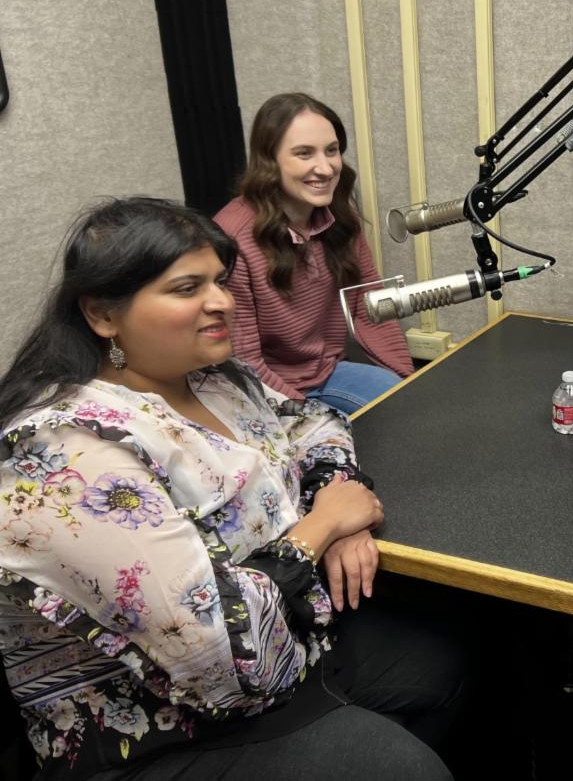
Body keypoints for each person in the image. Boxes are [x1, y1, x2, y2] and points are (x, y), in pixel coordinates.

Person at [0, 198, 461, 779]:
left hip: (290, 642)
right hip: (159, 728)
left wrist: (335, 492)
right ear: (102, 315)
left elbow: (315, 423)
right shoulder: (63, 455)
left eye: (220, 281)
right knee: (402, 767)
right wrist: (321, 529)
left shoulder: (217, 379)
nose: (222, 301)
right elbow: (216, 653)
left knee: (451, 663)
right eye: (187, 288)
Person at [215, 92, 414, 413]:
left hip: (328, 373)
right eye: (304, 153)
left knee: (412, 409)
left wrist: (409, 381)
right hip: (259, 390)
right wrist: (311, 422)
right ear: (269, 161)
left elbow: (374, 309)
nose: (325, 168)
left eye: (332, 151)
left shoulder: (339, 218)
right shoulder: (232, 238)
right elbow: (244, 363)